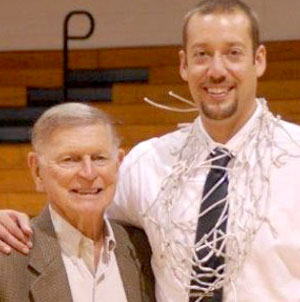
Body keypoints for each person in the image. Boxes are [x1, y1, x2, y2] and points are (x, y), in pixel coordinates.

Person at [1, 0, 300, 301]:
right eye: (202, 54)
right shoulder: (148, 163)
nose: (216, 70)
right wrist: (8, 221)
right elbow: (79, 207)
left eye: (233, 53)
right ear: (184, 65)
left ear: (259, 59)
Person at [0, 103, 155, 302]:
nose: (88, 173)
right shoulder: (8, 262)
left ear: (118, 164)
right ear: (37, 170)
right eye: (70, 159)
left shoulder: (144, 249)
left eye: (99, 158)